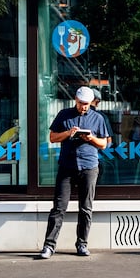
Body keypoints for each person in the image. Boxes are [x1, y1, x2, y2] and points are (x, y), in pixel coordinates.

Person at [39, 85, 110, 258]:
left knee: (86, 208)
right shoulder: (64, 115)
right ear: (75, 100)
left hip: (89, 166)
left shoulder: (98, 118)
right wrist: (68, 133)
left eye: (86, 104)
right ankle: (49, 246)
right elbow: (52, 137)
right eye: (80, 103)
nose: (83, 107)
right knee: (58, 207)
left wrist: (91, 138)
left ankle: (82, 244)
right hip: (67, 166)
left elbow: (104, 144)